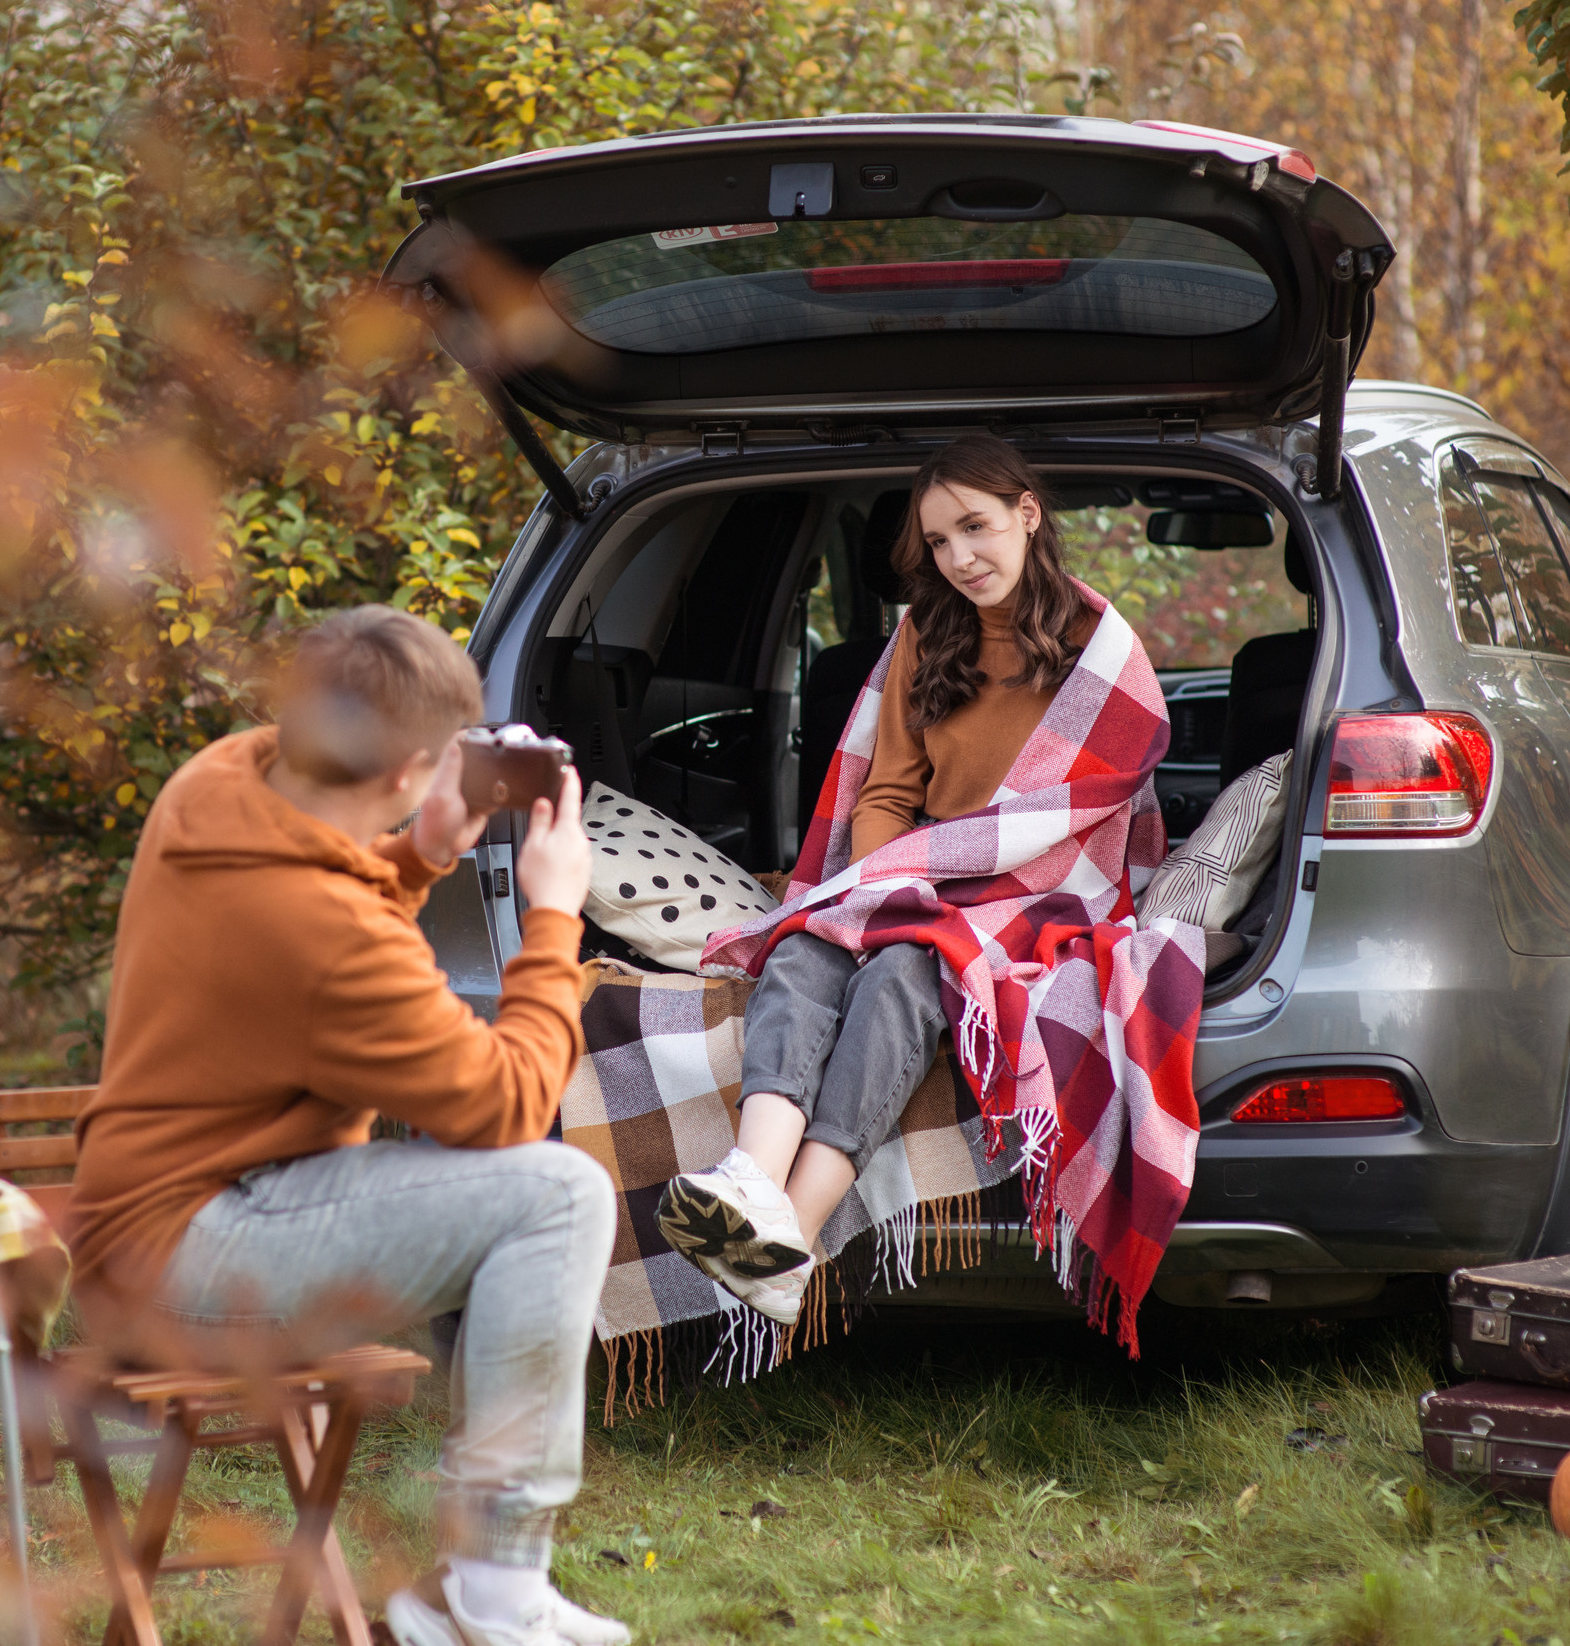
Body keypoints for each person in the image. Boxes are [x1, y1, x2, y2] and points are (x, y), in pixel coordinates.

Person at [67, 605, 622, 1646]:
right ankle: (487, 1588)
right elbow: (506, 1103)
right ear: (414, 763)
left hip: (167, 1218)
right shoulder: (320, 930)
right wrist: (554, 917)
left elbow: (325, 926)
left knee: (528, 1188)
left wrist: (416, 856)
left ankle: (485, 1587)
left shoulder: (223, 778)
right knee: (559, 1194)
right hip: (187, 1264)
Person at [654, 436, 1103, 1325]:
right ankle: (752, 1179)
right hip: (921, 868)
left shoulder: (1099, 648)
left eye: (975, 527)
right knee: (806, 945)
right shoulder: (923, 634)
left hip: (1030, 892)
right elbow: (889, 790)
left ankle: (793, 1233)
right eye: (938, 541)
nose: (959, 557)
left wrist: (931, 901)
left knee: (901, 974)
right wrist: (879, 886)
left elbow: (1087, 813)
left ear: (1027, 513)